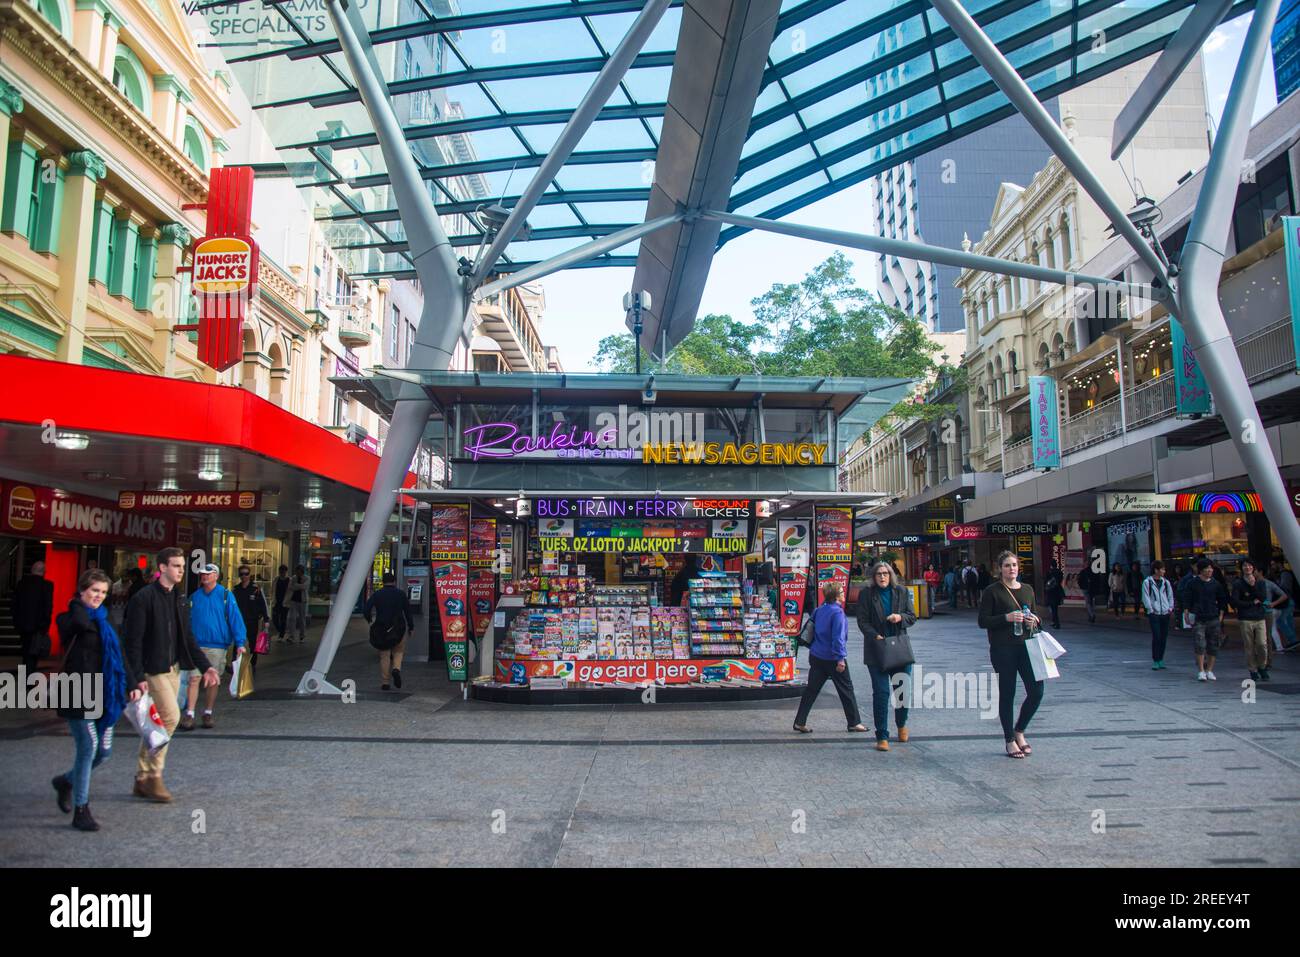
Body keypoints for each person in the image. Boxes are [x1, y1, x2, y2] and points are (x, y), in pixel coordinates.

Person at [122, 547, 219, 802]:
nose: (181, 571)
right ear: (162, 567)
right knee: (171, 717)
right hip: (152, 670)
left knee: (158, 723)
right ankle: (154, 775)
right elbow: (132, 642)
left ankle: (142, 777)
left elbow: (187, 637)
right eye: (176, 566)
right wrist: (137, 677)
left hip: (173, 669)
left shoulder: (179, 598)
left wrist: (206, 666)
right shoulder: (144, 598)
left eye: (183, 566)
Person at [50, 569, 138, 831]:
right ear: (82, 590)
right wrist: (78, 604)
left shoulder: (105, 619)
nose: (99, 596)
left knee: (103, 752)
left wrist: (132, 683)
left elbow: (119, 653)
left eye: (103, 592)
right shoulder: (68, 617)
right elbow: (78, 624)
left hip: (104, 694)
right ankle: (81, 809)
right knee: (88, 748)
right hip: (77, 692)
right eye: (94, 591)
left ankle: (66, 781)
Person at [977, 550, 1043, 759]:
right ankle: (1009, 740)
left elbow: (1034, 614)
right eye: (1007, 565)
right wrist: (1006, 618)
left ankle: (1019, 730)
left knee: (1037, 691)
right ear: (1000, 569)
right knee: (1008, 693)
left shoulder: (1027, 589)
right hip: (1003, 649)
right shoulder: (992, 591)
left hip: (1027, 647)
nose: (1011, 569)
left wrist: (1035, 620)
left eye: (1014, 565)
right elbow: (982, 621)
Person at [792, 581, 867, 735]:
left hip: (816, 655)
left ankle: (800, 721)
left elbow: (811, 630)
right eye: (841, 591)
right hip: (833, 658)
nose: (843, 593)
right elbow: (838, 638)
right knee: (846, 689)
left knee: (811, 690)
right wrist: (840, 659)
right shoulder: (837, 613)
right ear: (836, 596)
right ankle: (854, 722)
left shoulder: (819, 610)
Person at [856, 562, 916, 751]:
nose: (882, 577)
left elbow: (912, 616)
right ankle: (882, 735)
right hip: (877, 649)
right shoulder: (867, 594)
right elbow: (862, 621)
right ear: (874, 577)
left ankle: (901, 724)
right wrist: (875, 635)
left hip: (898, 648)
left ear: (891, 575)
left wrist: (900, 617)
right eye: (879, 574)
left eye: (885, 573)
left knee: (902, 691)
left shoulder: (901, 591)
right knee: (881, 693)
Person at [183, 564, 247, 729]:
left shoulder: (226, 595)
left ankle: (208, 712)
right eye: (203, 574)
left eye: (208, 574)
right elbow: (186, 621)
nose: (204, 576)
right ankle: (190, 714)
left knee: (212, 681)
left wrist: (240, 642)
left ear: (216, 576)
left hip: (217, 646)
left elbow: (235, 618)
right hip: (196, 646)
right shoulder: (194, 597)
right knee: (194, 679)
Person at [365, 572, 415, 690]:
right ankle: (396, 669)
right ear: (394, 582)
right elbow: (408, 612)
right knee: (398, 652)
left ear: (383, 582)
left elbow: (366, 609)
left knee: (384, 655)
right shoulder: (401, 594)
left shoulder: (377, 594)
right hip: (399, 628)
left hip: (382, 628)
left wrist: (370, 621)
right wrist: (411, 627)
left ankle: (385, 682)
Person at [1184, 558, 1228, 682]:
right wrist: (1186, 612)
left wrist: (1221, 614)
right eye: (1207, 568)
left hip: (1213, 617)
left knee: (1213, 645)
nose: (1209, 570)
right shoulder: (1192, 583)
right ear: (1201, 570)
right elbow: (1187, 598)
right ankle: (1201, 670)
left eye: (1211, 568)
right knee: (1200, 644)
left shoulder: (1216, 584)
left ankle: (1209, 670)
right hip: (1198, 617)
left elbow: (1222, 599)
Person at [1231, 559, 1270, 682]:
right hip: (1245, 618)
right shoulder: (1238, 583)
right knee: (1249, 645)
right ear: (1241, 568)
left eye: (1249, 565)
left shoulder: (1260, 582)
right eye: (1245, 566)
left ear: (1253, 567)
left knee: (1262, 644)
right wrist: (1251, 603)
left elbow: (1263, 598)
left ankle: (1262, 666)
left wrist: (1253, 587)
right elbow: (1235, 601)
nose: (1247, 567)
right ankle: (1253, 670)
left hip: (1259, 617)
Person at [14, 560, 55, 675]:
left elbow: (15, 605)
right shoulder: (47, 585)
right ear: (44, 572)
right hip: (38, 626)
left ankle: (25, 676)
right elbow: (48, 607)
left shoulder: (21, 584)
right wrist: (45, 626)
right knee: (34, 653)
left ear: (32, 570)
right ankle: (28, 676)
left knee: (26, 651)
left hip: (23, 625)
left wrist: (16, 622)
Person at [232, 565, 270, 676]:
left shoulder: (256, 589)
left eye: (246, 574)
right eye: (242, 574)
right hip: (239, 622)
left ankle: (253, 664)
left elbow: (263, 605)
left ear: (249, 575)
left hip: (252, 621)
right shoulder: (236, 590)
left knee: (252, 644)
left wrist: (266, 619)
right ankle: (235, 666)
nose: (244, 576)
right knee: (237, 643)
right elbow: (231, 606)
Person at [1141, 560, 1175, 670]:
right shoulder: (1148, 582)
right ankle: (1156, 660)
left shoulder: (1166, 582)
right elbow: (1145, 596)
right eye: (1162, 569)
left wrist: (1170, 608)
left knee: (1163, 637)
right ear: (1156, 570)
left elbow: (1170, 596)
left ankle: (1161, 659)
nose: (1164, 571)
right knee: (1156, 636)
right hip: (1154, 613)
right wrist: (1150, 609)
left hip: (1165, 612)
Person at [286, 565, 309, 642]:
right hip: (294, 600)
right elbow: (290, 587)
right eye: (297, 572)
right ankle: (291, 636)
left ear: (302, 572)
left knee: (302, 619)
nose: (298, 573)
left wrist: (296, 585)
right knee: (292, 618)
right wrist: (299, 586)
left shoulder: (307, 578)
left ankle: (302, 636)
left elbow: (304, 587)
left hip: (302, 601)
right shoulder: (293, 578)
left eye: (299, 572)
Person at [1043, 560, 1065, 630]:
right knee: (1055, 608)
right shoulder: (1060, 572)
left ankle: (1056, 623)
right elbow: (1060, 580)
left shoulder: (1049, 572)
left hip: (1051, 592)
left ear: (1051, 565)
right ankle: (1054, 622)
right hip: (1058, 591)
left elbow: (1046, 581)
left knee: (1053, 608)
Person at [271, 564, 291, 641]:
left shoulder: (289, 580)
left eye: (283, 571)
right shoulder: (276, 579)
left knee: (283, 619)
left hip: (285, 602)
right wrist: (272, 598)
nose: (282, 573)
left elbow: (291, 591)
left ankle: (281, 635)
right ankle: (281, 630)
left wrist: (289, 600)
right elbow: (273, 589)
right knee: (275, 619)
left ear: (286, 572)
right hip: (276, 602)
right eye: (280, 571)